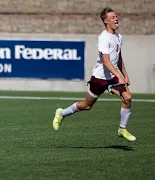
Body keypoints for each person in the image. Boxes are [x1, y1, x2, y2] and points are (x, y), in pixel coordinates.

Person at [52, 7, 136, 142]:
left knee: (127, 98)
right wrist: (119, 76)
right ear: (106, 21)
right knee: (87, 105)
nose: (116, 19)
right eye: (113, 17)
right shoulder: (103, 38)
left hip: (112, 78)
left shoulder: (119, 37)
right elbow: (106, 62)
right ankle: (61, 113)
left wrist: (124, 75)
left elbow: (119, 58)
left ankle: (122, 129)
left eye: (116, 17)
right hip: (99, 78)